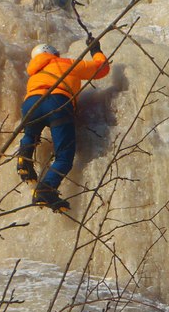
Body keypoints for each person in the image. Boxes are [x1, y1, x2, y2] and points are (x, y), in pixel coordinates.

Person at [16, 38, 110, 211]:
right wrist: (95, 50)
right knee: (64, 156)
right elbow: (101, 69)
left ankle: (25, 159)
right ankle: (45, 189)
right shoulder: (63, 63)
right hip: (57, 102)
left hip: (30, 105)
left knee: (31, 134)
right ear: (53, 54)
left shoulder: (34, 74)